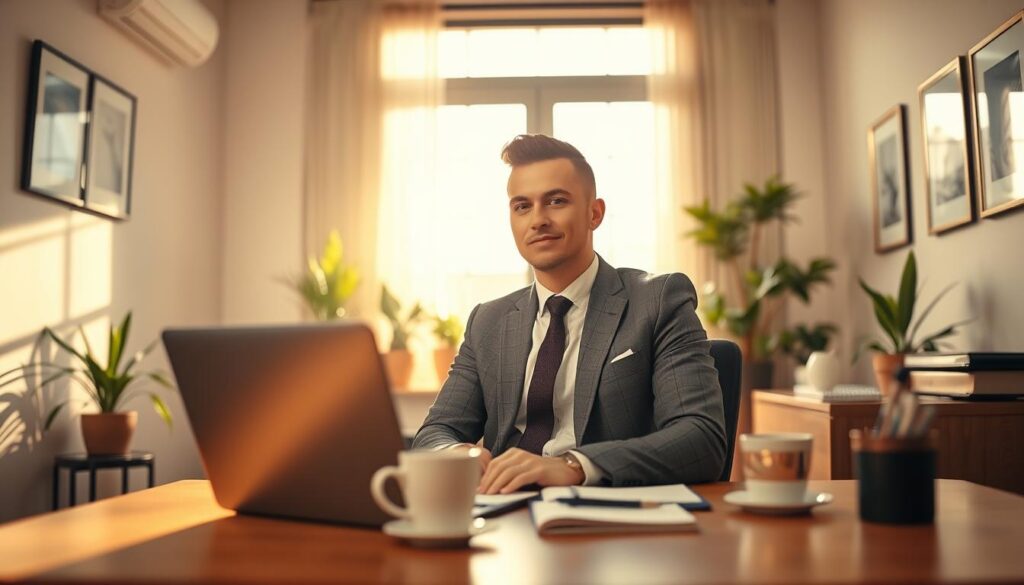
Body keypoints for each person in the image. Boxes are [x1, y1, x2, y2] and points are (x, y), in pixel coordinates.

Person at [412, 134, 726, 494]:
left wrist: (573, 467)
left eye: (556, 201)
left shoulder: (658, 301)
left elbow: (702, 438)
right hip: (502, 512)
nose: (538, 220)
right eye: (522, 206)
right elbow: (433, 434)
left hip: (609, 515)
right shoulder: (488, 321)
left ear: (595, 213)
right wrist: (455, 453)